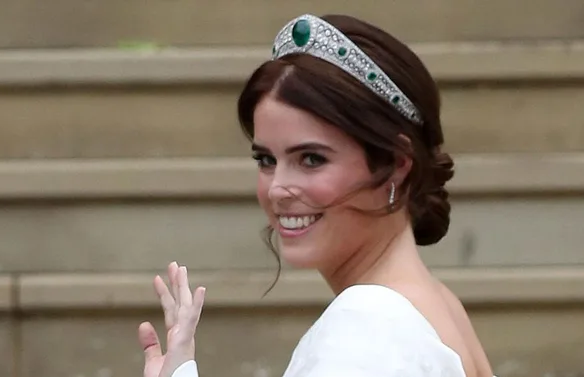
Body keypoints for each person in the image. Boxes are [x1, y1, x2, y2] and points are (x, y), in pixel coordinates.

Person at [136, 13, 493, 377]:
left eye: (311, 159)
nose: (277, 189)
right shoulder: (435, 305)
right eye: (266, 160)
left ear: (398, 164)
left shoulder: (366, 328)